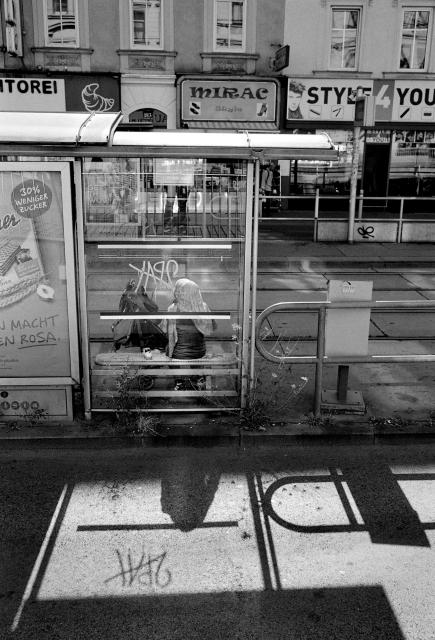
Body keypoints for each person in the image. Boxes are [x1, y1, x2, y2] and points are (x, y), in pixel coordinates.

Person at [161, 278, 216, 390]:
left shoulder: (172, 308)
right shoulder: (203, 306)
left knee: (167, 350)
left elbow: (165, 331)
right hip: (199, 352)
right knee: (197, 345)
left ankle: (179, 380)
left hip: (179, 354)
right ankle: (196, 378)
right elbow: (213, 328)